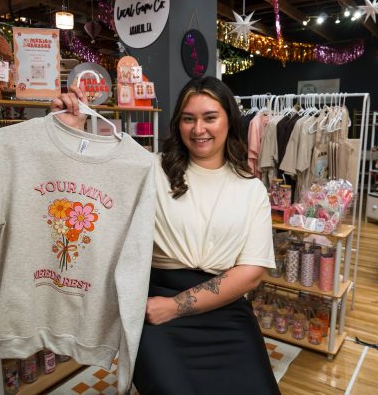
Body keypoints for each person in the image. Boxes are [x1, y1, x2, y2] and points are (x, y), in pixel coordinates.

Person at [51, 76, 280, 395]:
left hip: (223, 312)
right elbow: (85, 190)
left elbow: (251, 273)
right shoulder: (149, 169)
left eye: (210, 117)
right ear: (178, 123)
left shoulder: (251, 189)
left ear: (229, 120)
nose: (199, 129)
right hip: (154, 308)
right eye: (189, 119)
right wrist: (72, 130)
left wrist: (176, 305)